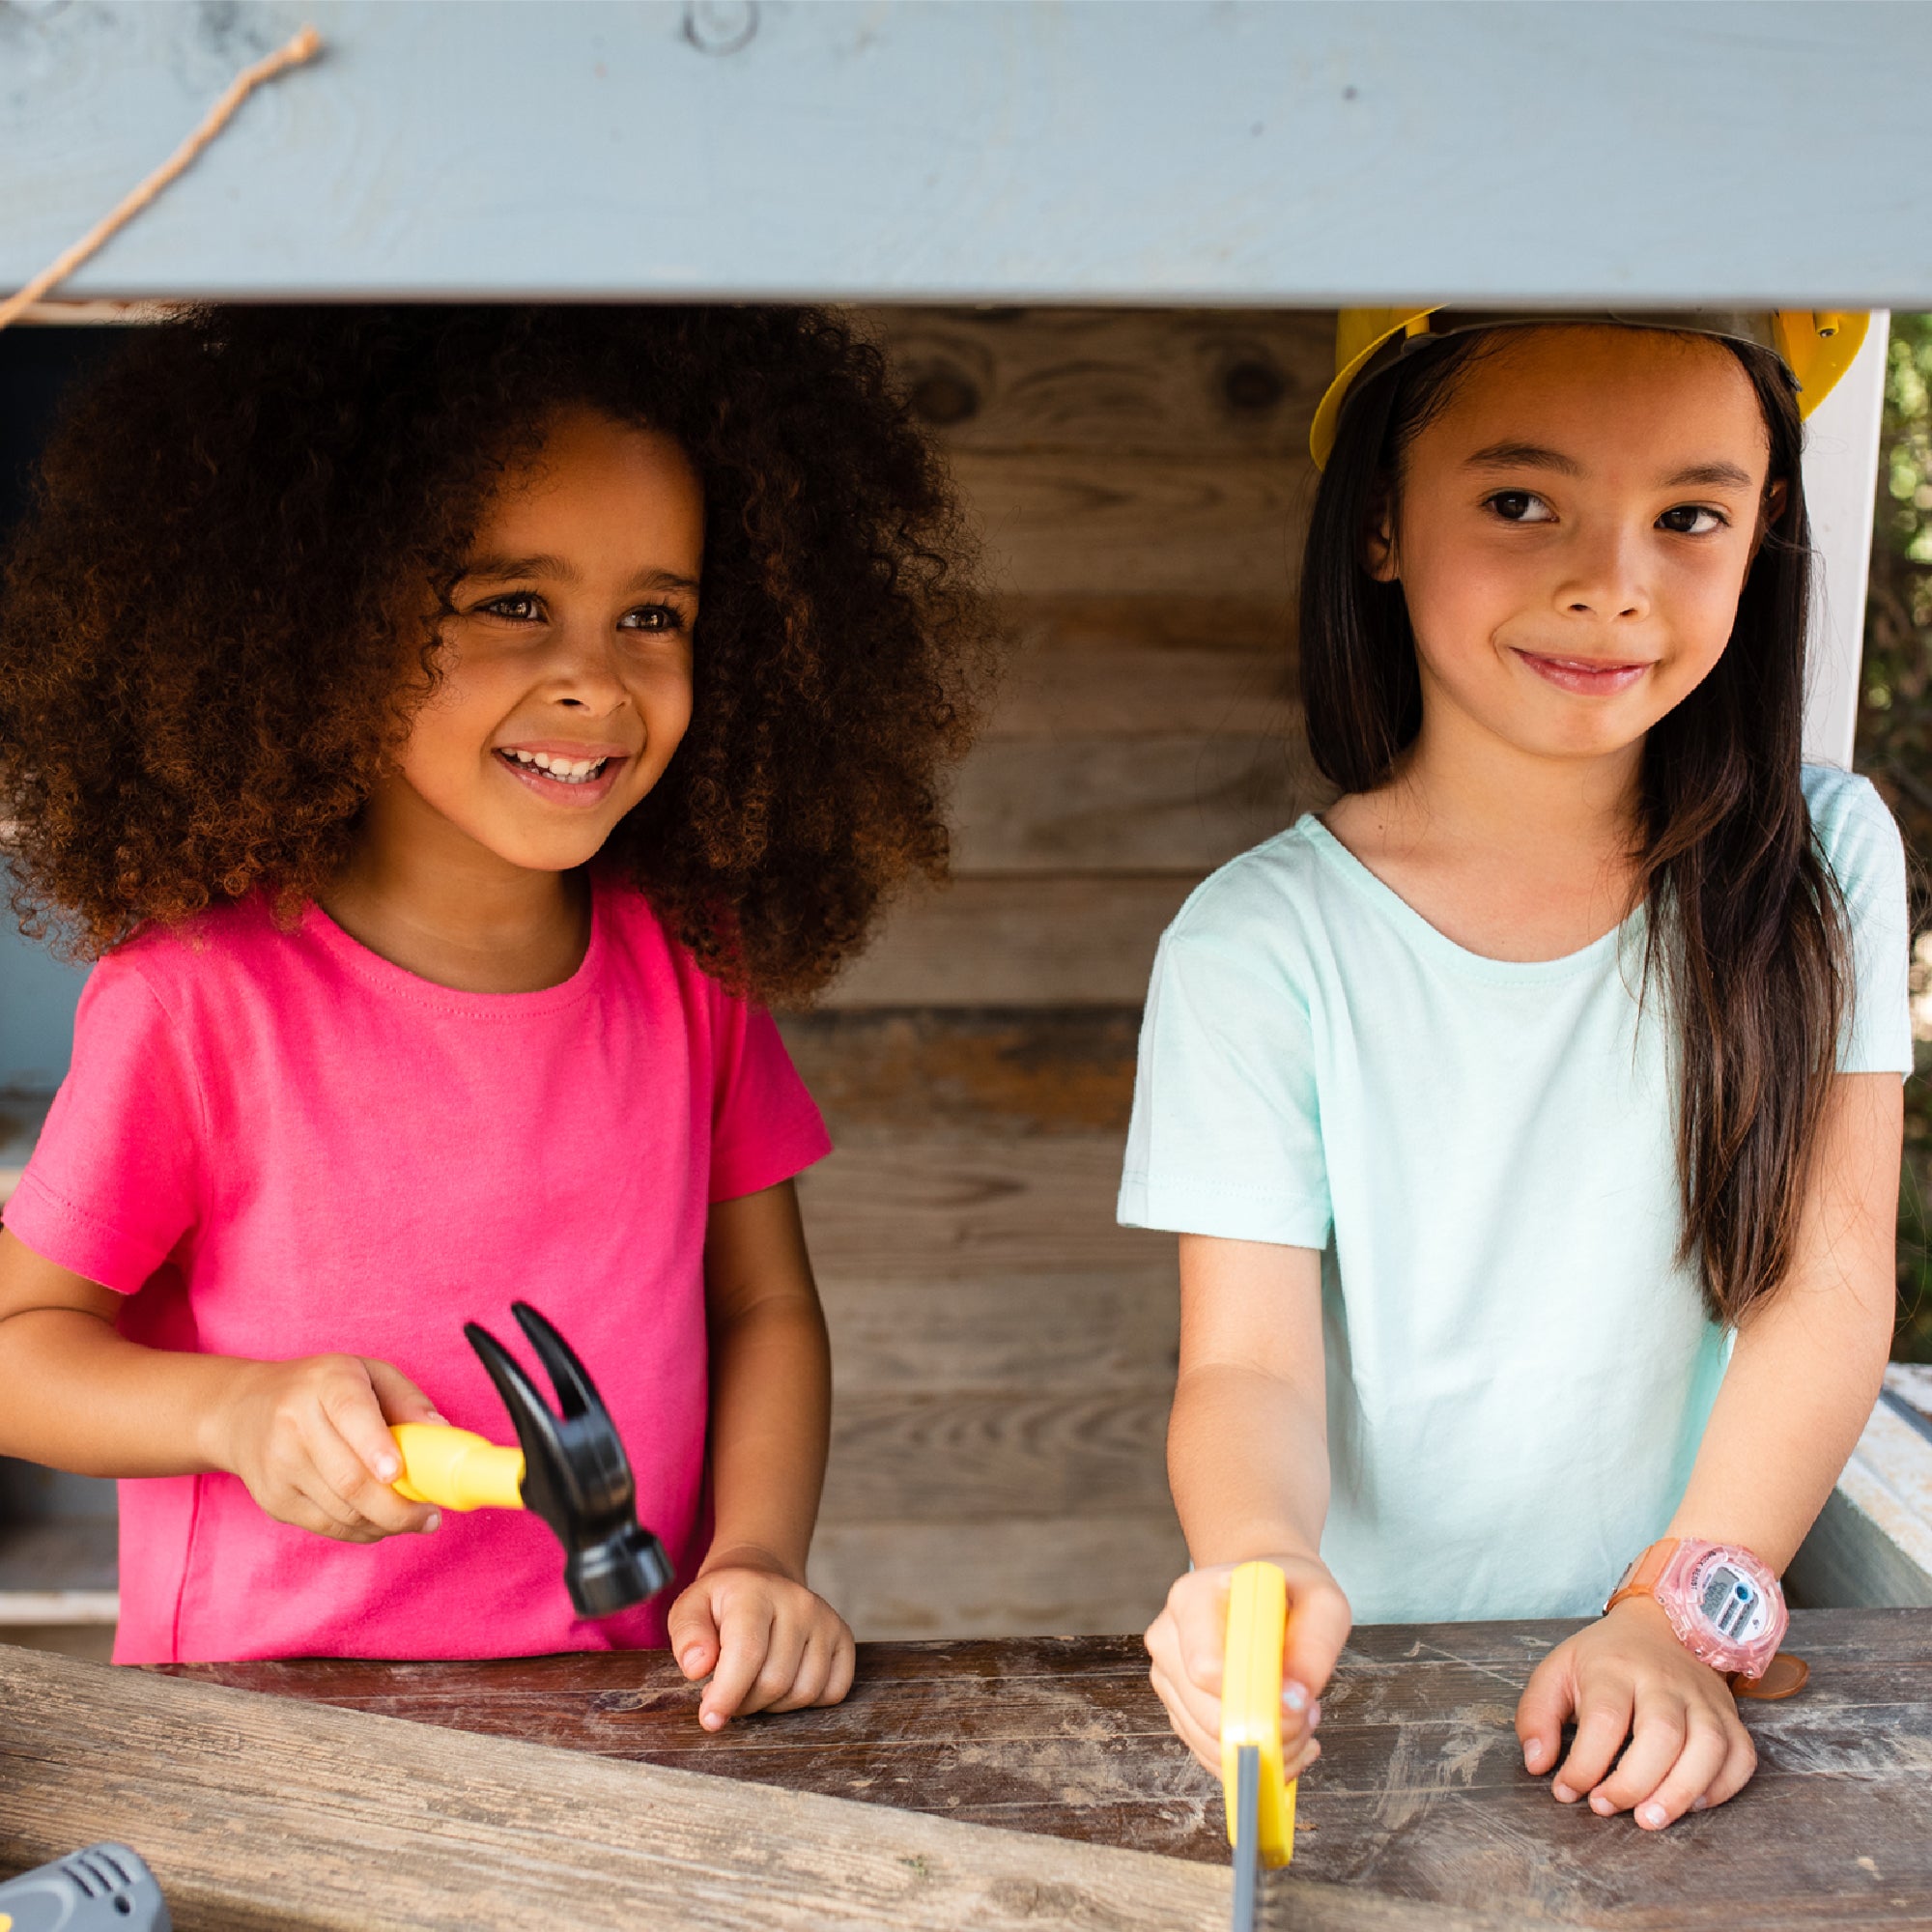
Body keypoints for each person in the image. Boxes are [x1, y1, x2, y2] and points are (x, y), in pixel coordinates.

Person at [0, 306, 988, 1719]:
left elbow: (766, 1308)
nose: (595, 677)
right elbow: (16, 1351)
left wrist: (760, 1556)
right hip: (266, 1729)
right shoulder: (199, 1000)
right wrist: (233, 1412)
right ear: (328, 613)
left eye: (656, 615)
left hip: (620, 1716)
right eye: (513, 602)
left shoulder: (689, 977)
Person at [1121, 309, 1909, 1831]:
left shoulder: (1823, 860)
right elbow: (1244, 1366)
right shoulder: (1253, 944)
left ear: (1766, 535)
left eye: (1689, 516)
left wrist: (1672, 1618)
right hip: (1372, 1708)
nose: (1610, 581)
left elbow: (1828, 1284)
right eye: (1520, 501)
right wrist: (1257, 1563)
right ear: (1377, 526)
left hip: (1680, 1692)